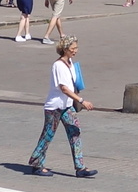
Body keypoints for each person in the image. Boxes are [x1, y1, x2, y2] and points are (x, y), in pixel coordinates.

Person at [28, 36, 96, 177]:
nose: (75, 51)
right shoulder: (58, 65)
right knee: (48, 135)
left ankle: (80, 168)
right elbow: (64, 88)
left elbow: (72, 84)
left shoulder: (70, 63)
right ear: (65, 49)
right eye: (72, 49)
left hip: (67, 106)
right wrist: (82, 101)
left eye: (76, 48)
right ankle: (36, 163)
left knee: (75, 132)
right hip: (54, 107)